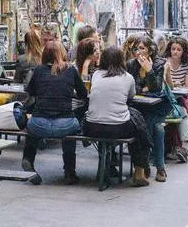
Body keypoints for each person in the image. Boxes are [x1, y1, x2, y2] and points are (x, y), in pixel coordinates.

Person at [22, 41, 88, 184]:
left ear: (45, 55)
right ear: (62, 53)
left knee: (31, 129)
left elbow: (31, 92)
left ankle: (28, 159)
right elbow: (84, 93)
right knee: (70, 135)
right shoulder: (71, 70)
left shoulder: (38, 70)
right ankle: (69, 172)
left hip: (39, 123)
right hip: (64, 124)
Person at [84, 47, 150, 187]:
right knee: (139, 125)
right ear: (121, 60)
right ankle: (139, 172)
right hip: (118, 129)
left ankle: (110, 165)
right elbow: (131, 96)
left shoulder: (96, 75)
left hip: (92, 127)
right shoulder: (128, 77)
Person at [127, 35, 172, 182]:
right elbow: (132, 87)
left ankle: (146, 165)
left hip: (157, 107)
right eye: (136, 49)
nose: (138, 52)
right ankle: (159, 167)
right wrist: (144, 89)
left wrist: (149, 70)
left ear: (150, 50)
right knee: (157, 129)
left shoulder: (160, 63)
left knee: (147, 127)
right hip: (138, 107)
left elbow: (156, 88)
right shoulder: (131, 65)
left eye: (142, 48)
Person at [163, 37, 188, 147]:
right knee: (182, 104)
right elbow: (164, 82)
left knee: (182, 101)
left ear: (183, 52)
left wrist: (176, 84)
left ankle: (186, 136)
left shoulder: (187, 66)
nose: (175, 52)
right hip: (166, 95)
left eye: (178, 49)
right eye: (173, 49)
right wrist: (175, 83)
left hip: (181, 96)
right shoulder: (164, 63)